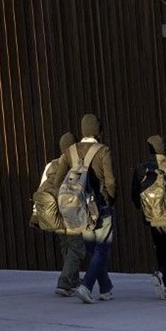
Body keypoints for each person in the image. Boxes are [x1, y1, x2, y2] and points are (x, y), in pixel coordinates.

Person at [51, 113, 117, 303]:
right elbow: (110, 182)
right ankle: (86, 286)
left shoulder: (70, 151)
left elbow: (57, 181)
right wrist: (111, 199)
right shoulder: (103, 150)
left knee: (93, 249)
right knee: (102, 248)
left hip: (80, 210)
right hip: (100, 206)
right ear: (98, 131)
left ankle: (105, 288)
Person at [131, 135, 166, 300]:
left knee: (161, 248)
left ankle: (165, 285)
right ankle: (161, 273)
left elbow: (135, 194)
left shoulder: (141, 168)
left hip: (152, 218)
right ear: (165, 148)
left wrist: (143, 209)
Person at [40, 132, 85, 296]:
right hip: (71, 211)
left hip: (54, 212)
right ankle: (64, 283)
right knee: (77, 249)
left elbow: (41, 188)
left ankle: (73, 281)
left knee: (66, 247)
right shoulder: (77, 165)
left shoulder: (50, 165)